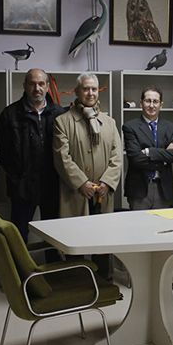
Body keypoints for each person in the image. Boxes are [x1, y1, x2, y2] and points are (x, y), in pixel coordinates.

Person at [53, 72, 122, 278]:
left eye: (94, 89)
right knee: (76, 239)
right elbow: (62, 158)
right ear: (77, 91)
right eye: (86, 88)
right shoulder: (62, 121)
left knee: (102, 239)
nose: (90, 93)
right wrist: (82, 183)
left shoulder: (109, 122)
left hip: (102, 193)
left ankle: (103, 282)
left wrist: (107, 183)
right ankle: (78, 283)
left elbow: (117, 157)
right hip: (77, 193)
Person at [0, 68, 65, 243]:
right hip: (22, 187)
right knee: (18, 236)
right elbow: (0, 151)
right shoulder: (10, 115)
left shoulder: (59, 114)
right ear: (25, 86)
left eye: (41, 84)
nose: (37, 88)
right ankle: (19, 271)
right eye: (32, 84)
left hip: (52, 185)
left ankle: (52, 269)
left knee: (54, 237)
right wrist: (17, 176)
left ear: (48, 86)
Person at [122, 86, 173, 210]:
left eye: (155, 101)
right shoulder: (130, 127)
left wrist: (148, 152)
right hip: (140, 190)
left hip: (163, 188)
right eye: (148, 101)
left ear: (161, 105)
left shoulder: (170, 127)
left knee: (163, 227)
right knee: (140, 228)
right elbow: (136, 159)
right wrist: (164, 157)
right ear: (141, 103)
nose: (152, 105)